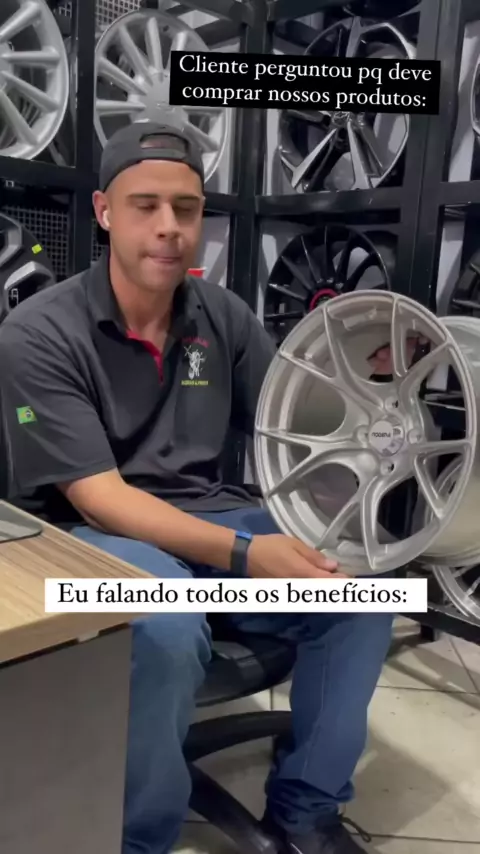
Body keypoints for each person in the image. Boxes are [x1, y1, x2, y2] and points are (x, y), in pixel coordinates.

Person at [0, 122, 394, 854]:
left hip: (209, 517)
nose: (169, 227)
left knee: (359, 595)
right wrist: (247, 555)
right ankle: (140, 839)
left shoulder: (223, 316)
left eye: (185, 208)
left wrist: (364, 381)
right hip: (86, 534)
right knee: (166, 623)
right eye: (145, 205)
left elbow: (290, 429)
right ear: (104, 211)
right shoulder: (39, 332)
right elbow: (99, 497)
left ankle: (305, 809)